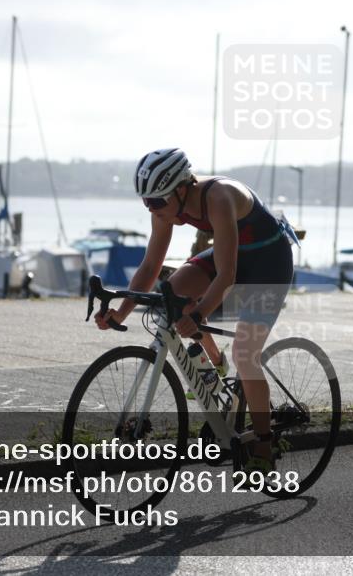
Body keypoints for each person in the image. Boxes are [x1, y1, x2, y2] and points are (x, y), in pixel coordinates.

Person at [94, 148, 294, 473]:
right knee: (171, 292)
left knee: (246, 354)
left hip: (269, 263)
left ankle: (263, 443)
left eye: (157, 202)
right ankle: (215, 366)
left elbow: (227, 275)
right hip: (233, 255)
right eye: (146, 202)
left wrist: (199, 315)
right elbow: (150, 265)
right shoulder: (164, 206)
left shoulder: (218, 197)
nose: (152, 209)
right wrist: (121, 312)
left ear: (182, 188)